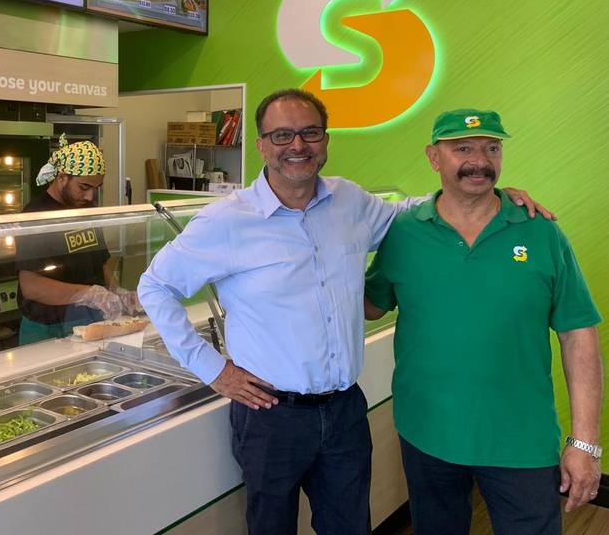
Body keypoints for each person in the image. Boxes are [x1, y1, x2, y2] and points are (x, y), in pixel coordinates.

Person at [137, 89, 549, 535]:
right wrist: (213, 370)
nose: (298, 145)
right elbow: (154, 286)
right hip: (270, 416)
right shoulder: (226, 221)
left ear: (326, 140)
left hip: (344, 412)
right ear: (261, 145)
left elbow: (410, 214)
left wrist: (487, 195)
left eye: (310, 133)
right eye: (282, 135)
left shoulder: (349, 201)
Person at [364, 109, 603, 535]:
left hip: (521, 439)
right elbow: (371, 306)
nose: (480, 161)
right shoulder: (404, 232)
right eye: (463, 148)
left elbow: (578, 333)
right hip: (427, 433)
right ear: (433, 157)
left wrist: (584, 442)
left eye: (491, 148)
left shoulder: (541, 232)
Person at [16, 135, 139, 344]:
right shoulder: (36, 215)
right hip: (47, 328)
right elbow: (30, 286)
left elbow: (100, 265)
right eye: (84, 187)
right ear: (62, 177)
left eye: (95, 188)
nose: (90, 196)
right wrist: (88, 294)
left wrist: (117, 293)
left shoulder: (86, 211)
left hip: (87, 321)